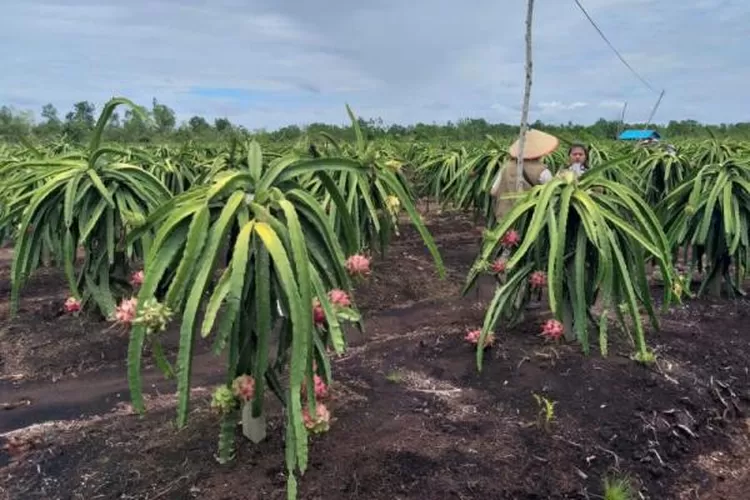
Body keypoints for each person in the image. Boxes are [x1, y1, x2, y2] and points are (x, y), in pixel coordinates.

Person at [490, 128, 560, 222]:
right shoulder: (543, 172)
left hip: (504, 218)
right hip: (530, 221)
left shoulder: (506, 167)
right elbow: (552, 194)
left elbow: (493, 191)